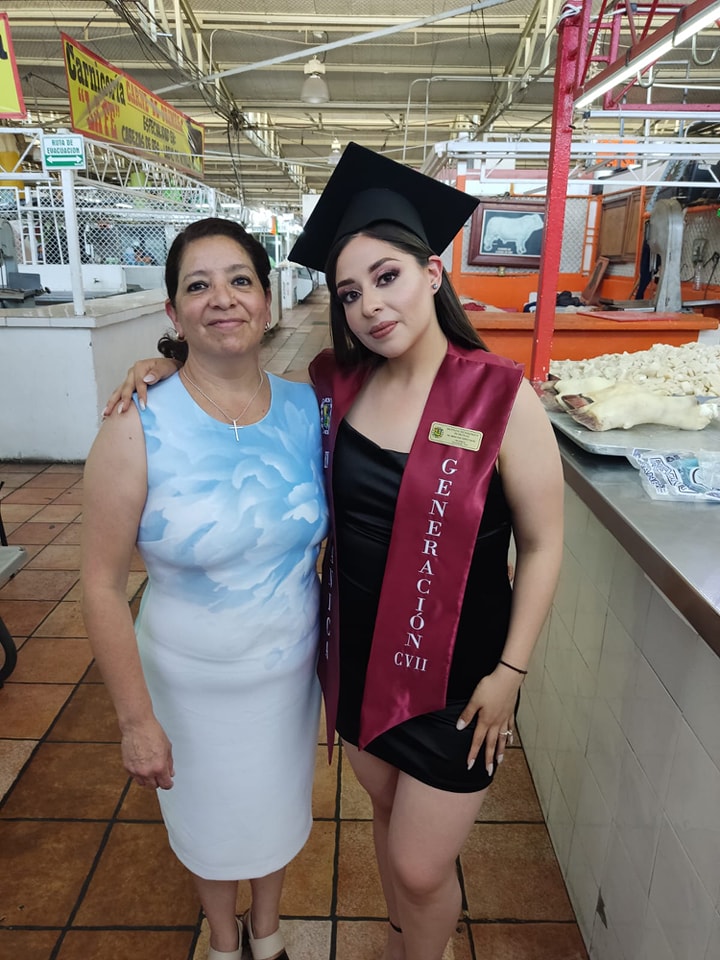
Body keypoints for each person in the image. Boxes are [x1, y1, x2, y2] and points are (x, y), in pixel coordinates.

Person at [105, 143, 564, 960]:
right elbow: (224, 377)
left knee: (423, 865)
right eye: (350, 293)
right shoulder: (335, 387)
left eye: (386, 278)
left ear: (431, 273)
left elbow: (544, 539)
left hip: (460, 679)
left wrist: (513, 673)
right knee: (391, 832)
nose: (370, 306)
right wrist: (161, 364)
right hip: (359, 669)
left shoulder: (501, 396)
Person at [82, 217, 328, 960]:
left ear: (267, 299)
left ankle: (268, 929)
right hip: (188, 685)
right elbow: (98, 584)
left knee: (276, 815)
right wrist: (134, 720)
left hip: (288, 678)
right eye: (198, 285)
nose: (222, 299)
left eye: (239, 280)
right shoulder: (139, 421)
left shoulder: (307, 410)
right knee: (210, 825)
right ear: (174, 312)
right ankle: (224, 943)